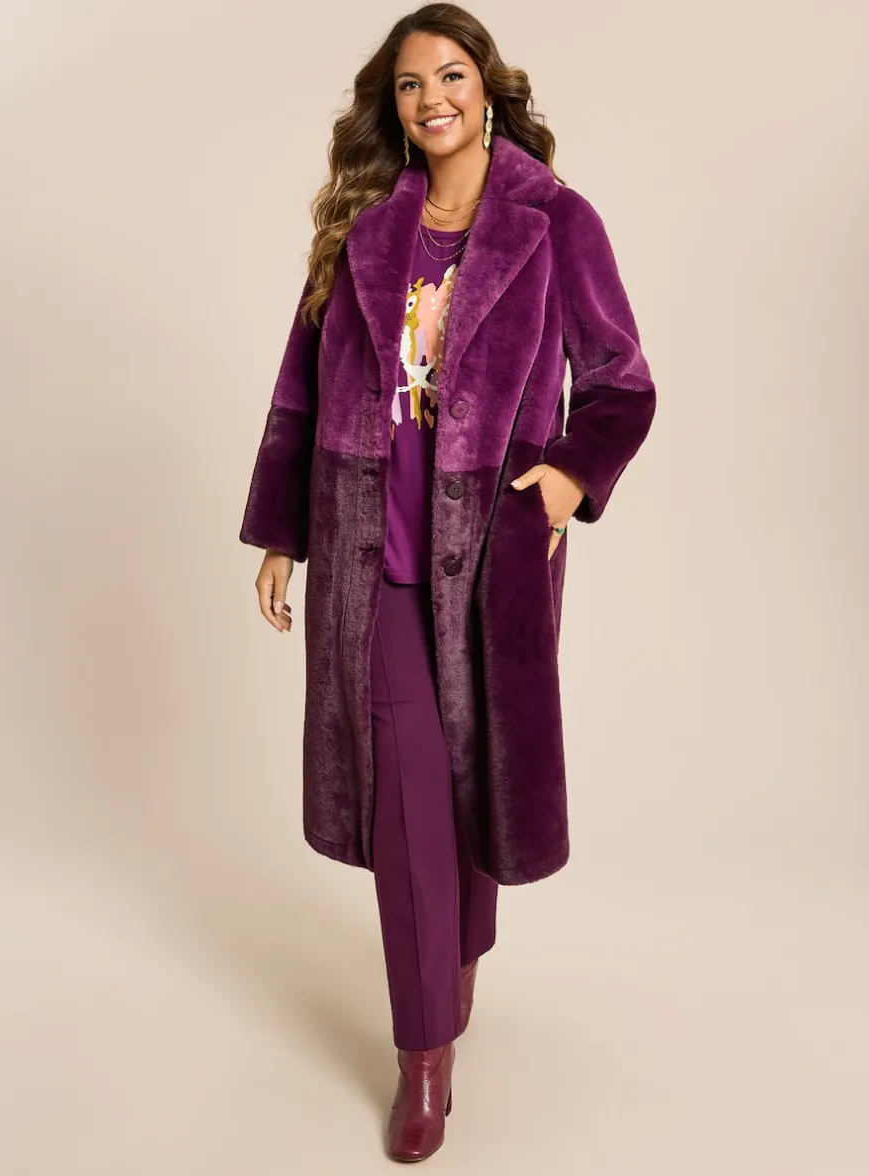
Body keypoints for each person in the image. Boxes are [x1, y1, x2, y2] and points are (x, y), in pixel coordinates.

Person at [238, 3, 656, 1161]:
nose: (432, 99)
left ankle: (461, 954)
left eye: (451, 75)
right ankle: (424, 1055)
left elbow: (621, 383)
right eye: (411, 84)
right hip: (370, 556)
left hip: (492, 564)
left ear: (487, 87)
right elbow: (298, 391)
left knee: (474, 780)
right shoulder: (366, 231)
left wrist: (566, 479)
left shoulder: (554, 222)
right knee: (409, 798)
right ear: (394, 106)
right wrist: (280, 532)